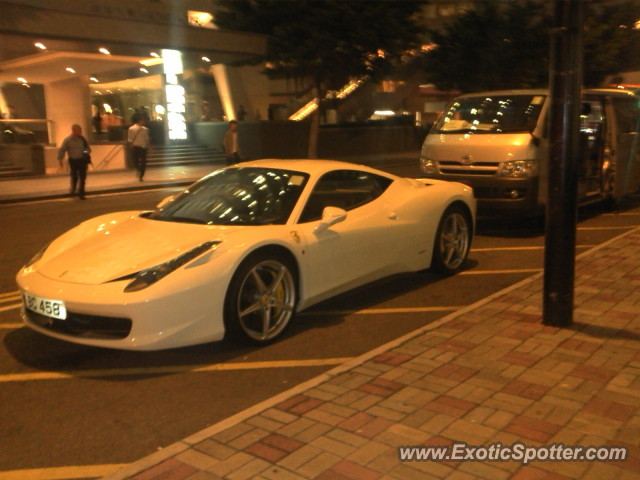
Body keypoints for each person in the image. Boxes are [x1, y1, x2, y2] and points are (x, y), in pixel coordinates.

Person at [58, 124, 91, 200]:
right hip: (73, 161)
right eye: (78, 130)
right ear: (73, 131)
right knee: (74, 177)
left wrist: (85, 152)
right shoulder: (68, 140)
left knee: (83, 178)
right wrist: (60, 159)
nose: (80, 132)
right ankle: (73, 190)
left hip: (82, 161)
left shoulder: (83, 139)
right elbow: (62, 149)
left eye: (80, 130)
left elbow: (88, 149)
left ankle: (81, 194)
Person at [128, 115, 151, 181]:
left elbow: (130, 140)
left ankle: (138, 170)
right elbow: (146, 139)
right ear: (139, 121)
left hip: (135, 146)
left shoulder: (131, 129)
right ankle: (141, 174)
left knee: (135, 161)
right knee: (143, 161)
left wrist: (130, 147)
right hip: (142, 147)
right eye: (142, 120)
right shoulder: (143, 129)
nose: (143, 121)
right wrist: (149, 147)